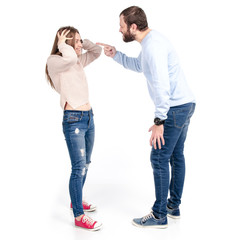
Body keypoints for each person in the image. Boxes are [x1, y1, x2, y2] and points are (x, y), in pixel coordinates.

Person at [97, 6, 196, 229]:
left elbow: (162, 86)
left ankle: (160, 214)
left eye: (121, 25)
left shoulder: (153, 47)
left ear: (133, 26)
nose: (119, 29)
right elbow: (140, 66)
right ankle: (173, 206)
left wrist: (159, 121)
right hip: (185, 104)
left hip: (174, 108)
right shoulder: (152, 42)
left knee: (159, 158)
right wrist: (116, 55)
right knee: (175, 156)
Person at [46, 26, 102, 231]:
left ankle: (75, 200)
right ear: (65, 43)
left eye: (80, 41)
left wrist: (82, 41)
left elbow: (97, 51)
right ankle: (79, 215)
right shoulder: (55, 61)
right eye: (76, 41)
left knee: (86, 163)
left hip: (88, 117)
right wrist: (63, 45)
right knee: (78, 168)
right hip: (74, 120)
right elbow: (68, 59)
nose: (80, 45)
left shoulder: (78, 59)